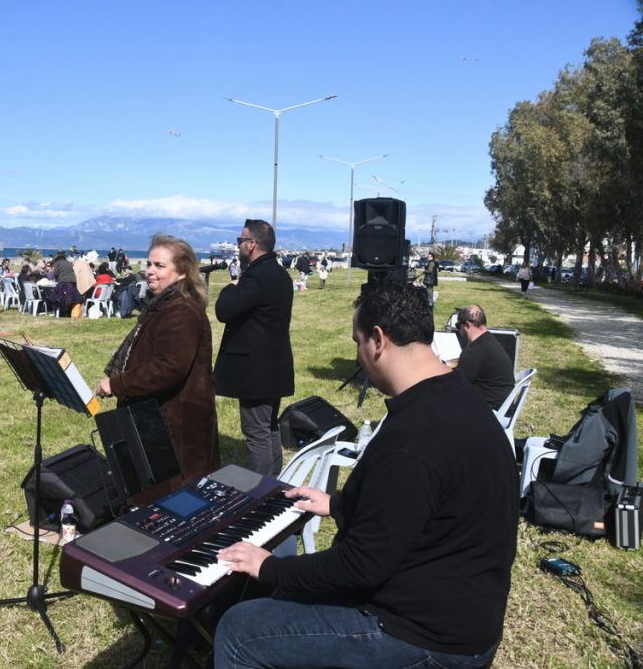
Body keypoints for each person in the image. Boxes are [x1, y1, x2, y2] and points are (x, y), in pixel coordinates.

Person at [213, 281, 519, 669]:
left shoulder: (414, 438)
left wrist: (268, 567)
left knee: (241, 630)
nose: (358, 353)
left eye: (357, 341)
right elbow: (417, 507)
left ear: (378, 339)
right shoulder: (455, 397)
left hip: (429, 638)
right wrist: (339, 505)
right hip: (466, 615)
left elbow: (359, 568)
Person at [95, 234, 220, 504]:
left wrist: (117, 384)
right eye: (149, 264)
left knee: (176, 504)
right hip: (158, 416)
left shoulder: (181, 310)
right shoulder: (163, 305)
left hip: (176, 422)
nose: (150, 271)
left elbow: (168, 368)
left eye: (160, 266)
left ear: (182, 273)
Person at [214, 219, 295, 476]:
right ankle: (274, 484)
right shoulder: (280, 274)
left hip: (255, 371)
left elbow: (223, 310)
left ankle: (260, 492)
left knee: (256, 433)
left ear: (252, 244)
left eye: (240, 241)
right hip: (275, 365)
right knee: (269, 428)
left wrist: (231, 285)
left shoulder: (256, 277)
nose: (237, 246)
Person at [453, 305, 515, 409]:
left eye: (458, 325)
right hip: (503, 406)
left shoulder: (473, 351)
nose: (459, 329)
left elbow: (456, 386)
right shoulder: (489, 340)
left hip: (490, 411)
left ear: (467, 325)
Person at [48, 251, 82, 316]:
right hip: (73, 281)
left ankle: (58, 311)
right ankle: (68, 312)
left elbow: (55, 273)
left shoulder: (57, 263)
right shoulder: (68, 263)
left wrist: (57, 280)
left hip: (63, 282)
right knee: (71, 297)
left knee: (57, 296)